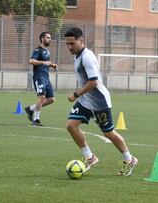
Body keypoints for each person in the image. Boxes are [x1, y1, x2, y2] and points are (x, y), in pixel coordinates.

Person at [64, 27, 138, 176]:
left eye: (72, 43)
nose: (69, 47)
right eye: (67, 44)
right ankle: (89, 157)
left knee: (108, 133)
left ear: (81, 41)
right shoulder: (77, 56)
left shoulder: (87, 57)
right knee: (71, 126)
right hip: (86, 100)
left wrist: (76, 94)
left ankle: (129, 159)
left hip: (99, 102)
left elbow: (94, 82)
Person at [25, 32, 58, 126]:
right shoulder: (37, 50)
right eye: (48, 37)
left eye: (50, 37)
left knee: (51, 99)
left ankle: (31, 109)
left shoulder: (47, 51)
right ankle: (36, 120)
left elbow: (46, 63)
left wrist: (52, 65)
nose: (50, 39)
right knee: (42, 96)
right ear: (42, 39)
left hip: (46, 77)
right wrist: (43, 62)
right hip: (39, 77)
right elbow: (31, 61)